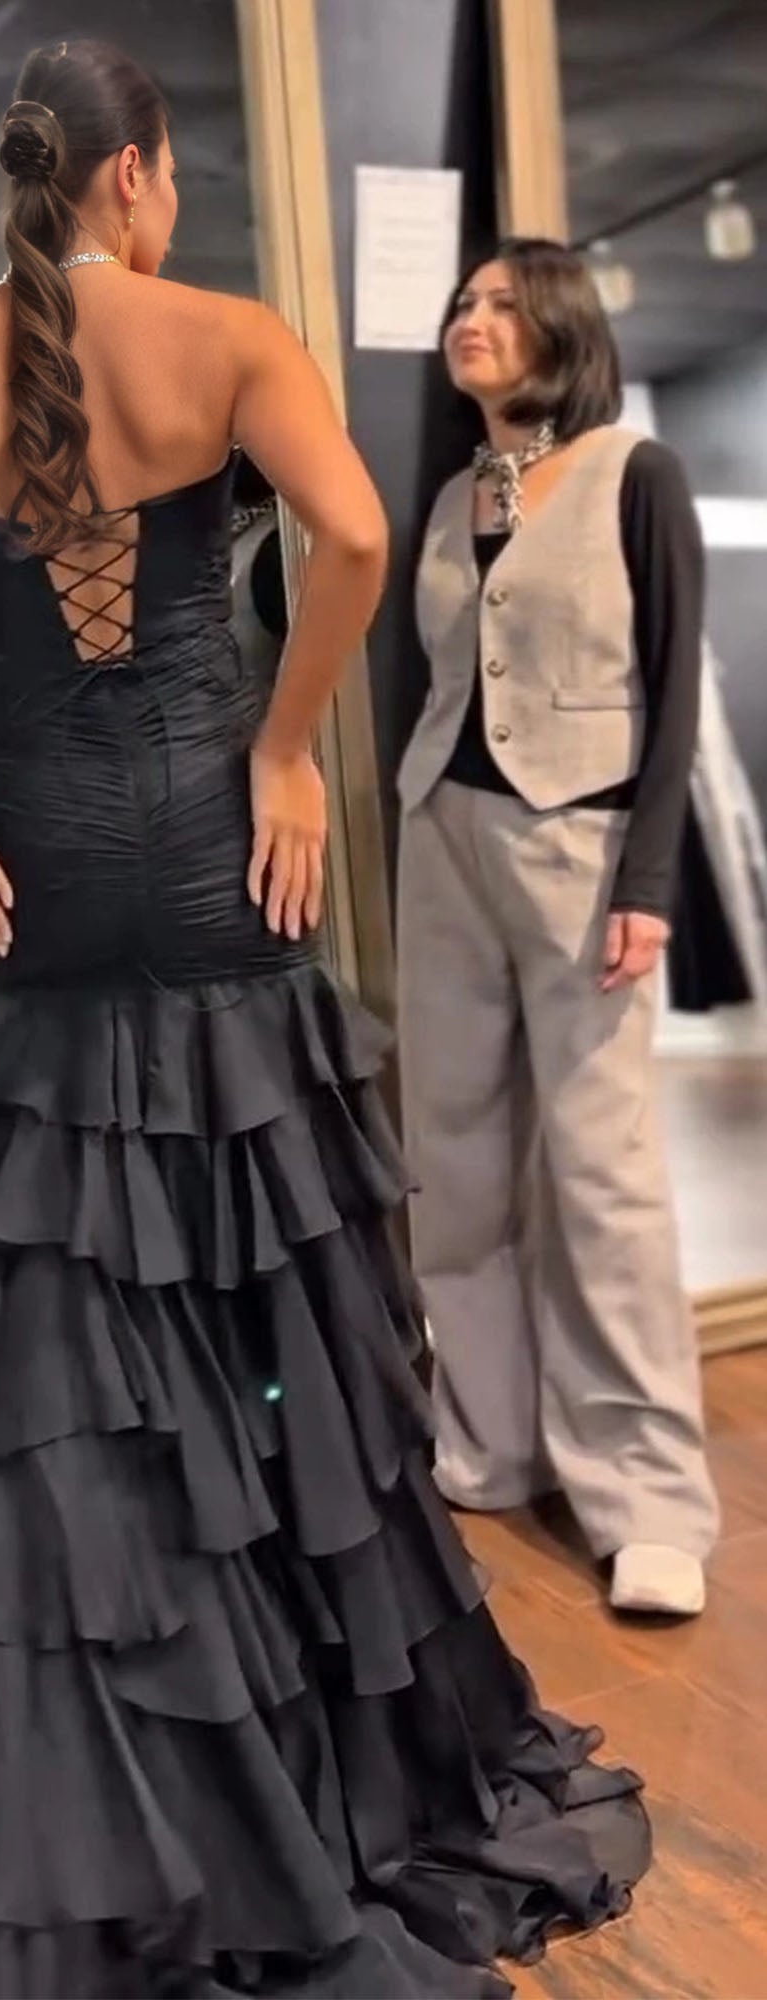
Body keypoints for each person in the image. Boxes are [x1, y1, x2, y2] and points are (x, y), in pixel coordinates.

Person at [0, 45, 650, 1999]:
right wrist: (286, 749)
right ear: (138, 175)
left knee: (62, 1306)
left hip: (37, 857)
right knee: (268, 1295)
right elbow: (351, 540)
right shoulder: (230, 335)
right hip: (204, 840)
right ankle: (305, 1756)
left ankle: (101, 1781)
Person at [398, 239, 719, 1622]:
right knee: (454, 1159)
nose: (473, 319)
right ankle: (491, 1439)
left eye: (502, 302)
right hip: (444, 837)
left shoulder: (636, 474)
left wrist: (651, 878)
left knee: (601, 1173)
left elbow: (676, 686)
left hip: (581, 850)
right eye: (464, 302)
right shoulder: (454, 493)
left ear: (562, 326)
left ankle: (647, 1498)